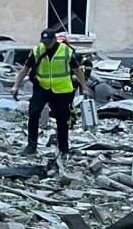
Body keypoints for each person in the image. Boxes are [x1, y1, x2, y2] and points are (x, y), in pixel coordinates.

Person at [12, 28, 90, 158]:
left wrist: (84, 87)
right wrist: (15, 85)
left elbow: (77, 70)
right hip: (42, 88)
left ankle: (63, 148)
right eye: (44, 42)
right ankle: (31, 146)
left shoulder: (66, 51)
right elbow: (25, 69)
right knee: (34, 113)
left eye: (48, 42)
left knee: (62, 119)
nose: (46, 44)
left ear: (54, 39)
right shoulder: (37, 50)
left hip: (62, 90)